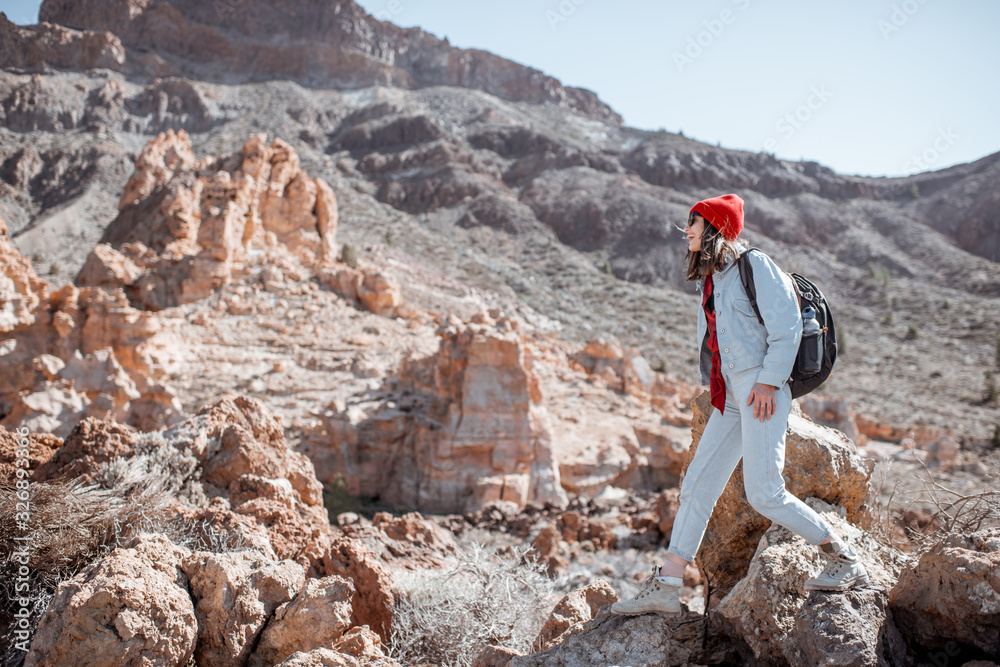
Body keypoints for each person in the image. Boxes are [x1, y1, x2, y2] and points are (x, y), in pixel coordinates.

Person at [611, 193, 868, 618]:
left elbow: (786, 328)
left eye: (693, 223)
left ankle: (844, 559)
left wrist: (768, 383)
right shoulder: (713, 278)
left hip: (762, 390)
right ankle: (667, 586)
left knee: (764, 493)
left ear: (713, 227)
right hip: (731, 398)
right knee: (697, 484)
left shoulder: (756, 265)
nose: (687, 230)